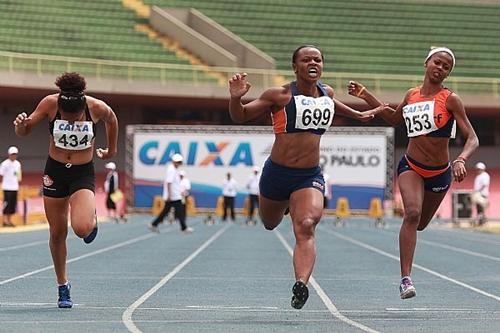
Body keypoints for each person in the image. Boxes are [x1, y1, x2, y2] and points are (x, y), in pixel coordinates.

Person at [229, 45, 386, 309]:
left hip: (308, 176)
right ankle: (286, 205)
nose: (313, 63)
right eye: (306, 60)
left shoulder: (327, 92)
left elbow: (331, 104)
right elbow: (240, 116)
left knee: (306, 225)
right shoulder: (279, 95)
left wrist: (358, 113)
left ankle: (301, 283)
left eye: (318, 59)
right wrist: (235, 99)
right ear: (295, 67)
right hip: (277, 174)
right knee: (269, 223)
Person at [348, 46, 479, 300]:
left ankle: (412, 239)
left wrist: (461, 159)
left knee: (420, 223)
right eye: (437, 63)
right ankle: (405, 279)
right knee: (412, 214)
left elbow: (472, 137)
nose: (440, 69)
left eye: (446, 67)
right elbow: (394, 119)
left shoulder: (451, 99)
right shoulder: (411, 95)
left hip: (440, 173)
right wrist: (366, 95)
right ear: (426, 62)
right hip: (411, 166)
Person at [13, 72, 118, 308]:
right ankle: (63, 285)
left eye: (75, 118)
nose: (70, 122)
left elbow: (112, 120)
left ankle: (89, 217)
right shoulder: (50, 103)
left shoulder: (97, 108)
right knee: (57, 232)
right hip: (55, 172)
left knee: (81, 229)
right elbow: (26, 130)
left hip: (82, 173)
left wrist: (111, 150)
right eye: (67, 118)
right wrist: (21, 126)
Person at [149, 154, 193, 234]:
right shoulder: (171, 170)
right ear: (174, 162)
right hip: (173, 196)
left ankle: (154, 224)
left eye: (180, 162)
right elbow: (169, 183)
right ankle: (184, 228)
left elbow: (175, 184)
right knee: (176, 211)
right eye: (177, 162)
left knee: (167, 212)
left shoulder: (175, 170)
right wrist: (169, 195)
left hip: (176, 195)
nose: (179, 163)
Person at [1, 146, 22, 227]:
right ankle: (5, 220)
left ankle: (9, 220)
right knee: (7, 204)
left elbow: (18, 174)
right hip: (7, 187)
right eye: (12, 154)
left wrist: (19, 180)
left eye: (15, 154)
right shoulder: (4, 164)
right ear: (9, 154)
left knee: (12, 204)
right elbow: (1, 175)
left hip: (15, 187)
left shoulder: (17, 164)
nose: (13, 156)